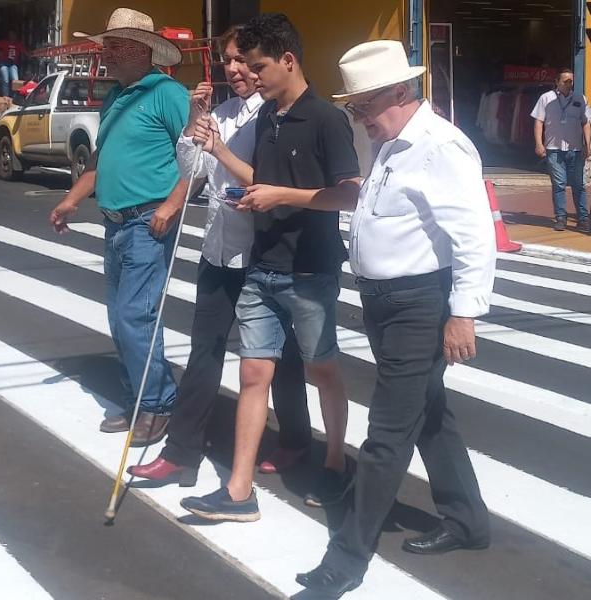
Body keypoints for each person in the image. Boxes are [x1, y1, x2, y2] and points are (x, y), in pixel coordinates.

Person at [257, 40, 495, 597]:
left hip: (419, 304)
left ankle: (345, 559)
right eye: (354, 109)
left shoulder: (441, 147)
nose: (359, 119)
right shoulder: (392, 143)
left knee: (388, 432)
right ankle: (467, 520)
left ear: (400, 92)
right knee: (429, 414)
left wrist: (463, 313)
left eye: (364, 106)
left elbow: (475, 237)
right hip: (386, 302)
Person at [180, 13, 361, 522]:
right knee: (254, 372)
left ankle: (333, 463)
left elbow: (348, 195)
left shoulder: (326, 118)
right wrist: (219, 153)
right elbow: (263, 176)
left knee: (322, 370)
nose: (251, 76)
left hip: (310, 269)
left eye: (258, 66)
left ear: (288, 60)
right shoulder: (267, 118)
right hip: (263, 264)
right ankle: (238, 491)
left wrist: (283, 196)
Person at [126, 26, 312, 486]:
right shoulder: (222, 112)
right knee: (204, 350)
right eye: (227, 60)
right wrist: (193, 125)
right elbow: (193, 175)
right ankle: (182, 454)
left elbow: (266, 179)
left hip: (261, 256)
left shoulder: (274, 117)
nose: (234, 69)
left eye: (242, 61)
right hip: (218, 251)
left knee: (280, 356)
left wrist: (222, 151)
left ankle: (295, 439)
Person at [49, 8, 188, 445]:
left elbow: (197, 156)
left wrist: (171, 204)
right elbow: (99, 161)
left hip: (150, 221)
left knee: (135, 316)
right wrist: (71, 199)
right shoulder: (116, 96)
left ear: (138, 49)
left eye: (110, 46)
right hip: (115, 224)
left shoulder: (168, 93)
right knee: (120, 317)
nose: (103, 53)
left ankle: (157, 405)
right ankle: (140, 396)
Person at [531, 68, 591, 232]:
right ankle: (561, 217)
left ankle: (583, 218)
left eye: (571, 80)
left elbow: (586, 123)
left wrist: (588, 145)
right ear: (557, 82)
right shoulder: (546, 98)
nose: (568, 83)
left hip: (576, 149)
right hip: (554, 149)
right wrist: (539, 143)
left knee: (579, 185)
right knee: (558, 184)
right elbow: (539, 122)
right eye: (565, 80)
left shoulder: (580, 99)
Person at [0, 30, 27, 97]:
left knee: (16, 81)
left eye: (14, 34)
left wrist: (33, 54)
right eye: (11, 34)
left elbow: (25, 52)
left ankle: (15, 97)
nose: (12, 36)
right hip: (3, 63)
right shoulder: (4, 42)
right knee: (5, 81)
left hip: (13, 64)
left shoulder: (18, 44)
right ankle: (6, 97)